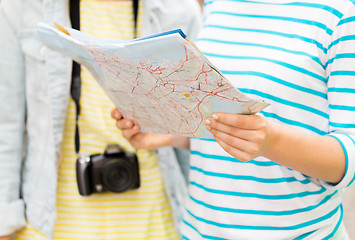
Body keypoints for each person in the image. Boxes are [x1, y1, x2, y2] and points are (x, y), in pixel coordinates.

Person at [112, 0, 355, 239]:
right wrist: (169, 131)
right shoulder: (216, 5)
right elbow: (220, 121)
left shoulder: (340, 12)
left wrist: (271, 142)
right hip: (198, 231)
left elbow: (349, 158)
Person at [0, 0, 201, 239]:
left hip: (156, 222)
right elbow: (5, 125)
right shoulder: (22, 5)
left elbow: (199, 133)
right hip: (52, 226)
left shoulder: (180, 9)